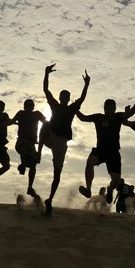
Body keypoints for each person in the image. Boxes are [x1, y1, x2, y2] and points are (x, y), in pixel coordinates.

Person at [40, 63, 91, 216]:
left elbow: (82, 98)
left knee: (57, 174)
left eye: (66, 97)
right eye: (62, 96)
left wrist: (87, 84)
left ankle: (49, 200)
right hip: (51, 138)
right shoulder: (54, 105)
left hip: (62, 143)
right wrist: (47, 74)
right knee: (45, 125)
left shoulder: (71, 108)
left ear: (68, 99)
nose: (64, 98)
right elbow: (46, 90)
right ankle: (37, 153)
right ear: (60, 97)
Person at [77, 98, 135, 204]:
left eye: (111, 108)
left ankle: (109, 190)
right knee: (90, 161)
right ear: (104, 108)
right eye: (107, 108)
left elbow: (129, 114)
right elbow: (82, 118)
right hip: (100, 150)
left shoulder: (118, 117)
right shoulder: (98, 117)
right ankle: (88, 189)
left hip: (113, 152)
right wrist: (75, 107)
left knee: (117, 182)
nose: (109, 110)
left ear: (114, 109)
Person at [10, 99, 46, 197]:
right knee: (25, 144)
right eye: (27, 105)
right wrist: (4, 122)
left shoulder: (37, 114)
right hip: (21, 142)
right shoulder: (20, 113)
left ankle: (30, 187)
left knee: (33, 166)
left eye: (31, 105)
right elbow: (11, 121)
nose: (29, 107)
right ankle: (22, 164)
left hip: (32, 145)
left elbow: (46, 123)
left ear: (33, 106)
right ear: (24, 106)